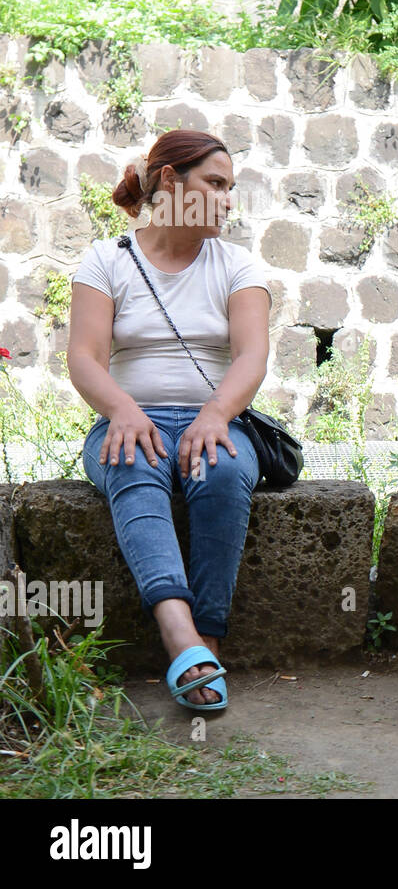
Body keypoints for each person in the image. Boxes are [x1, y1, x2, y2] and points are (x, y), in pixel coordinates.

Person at [67, 130, 270, 709]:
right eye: (215, 183)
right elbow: (83, 358)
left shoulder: (238, 265)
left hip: (218, 417)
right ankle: (177, 631)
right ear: (170, 183)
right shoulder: (106, 260)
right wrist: (123, 410)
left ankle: (205, 640)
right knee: (132, 457)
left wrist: (216, 415)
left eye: (231, 187)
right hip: (127, 418)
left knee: (224, 470)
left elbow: (252, 357)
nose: (228, 199)